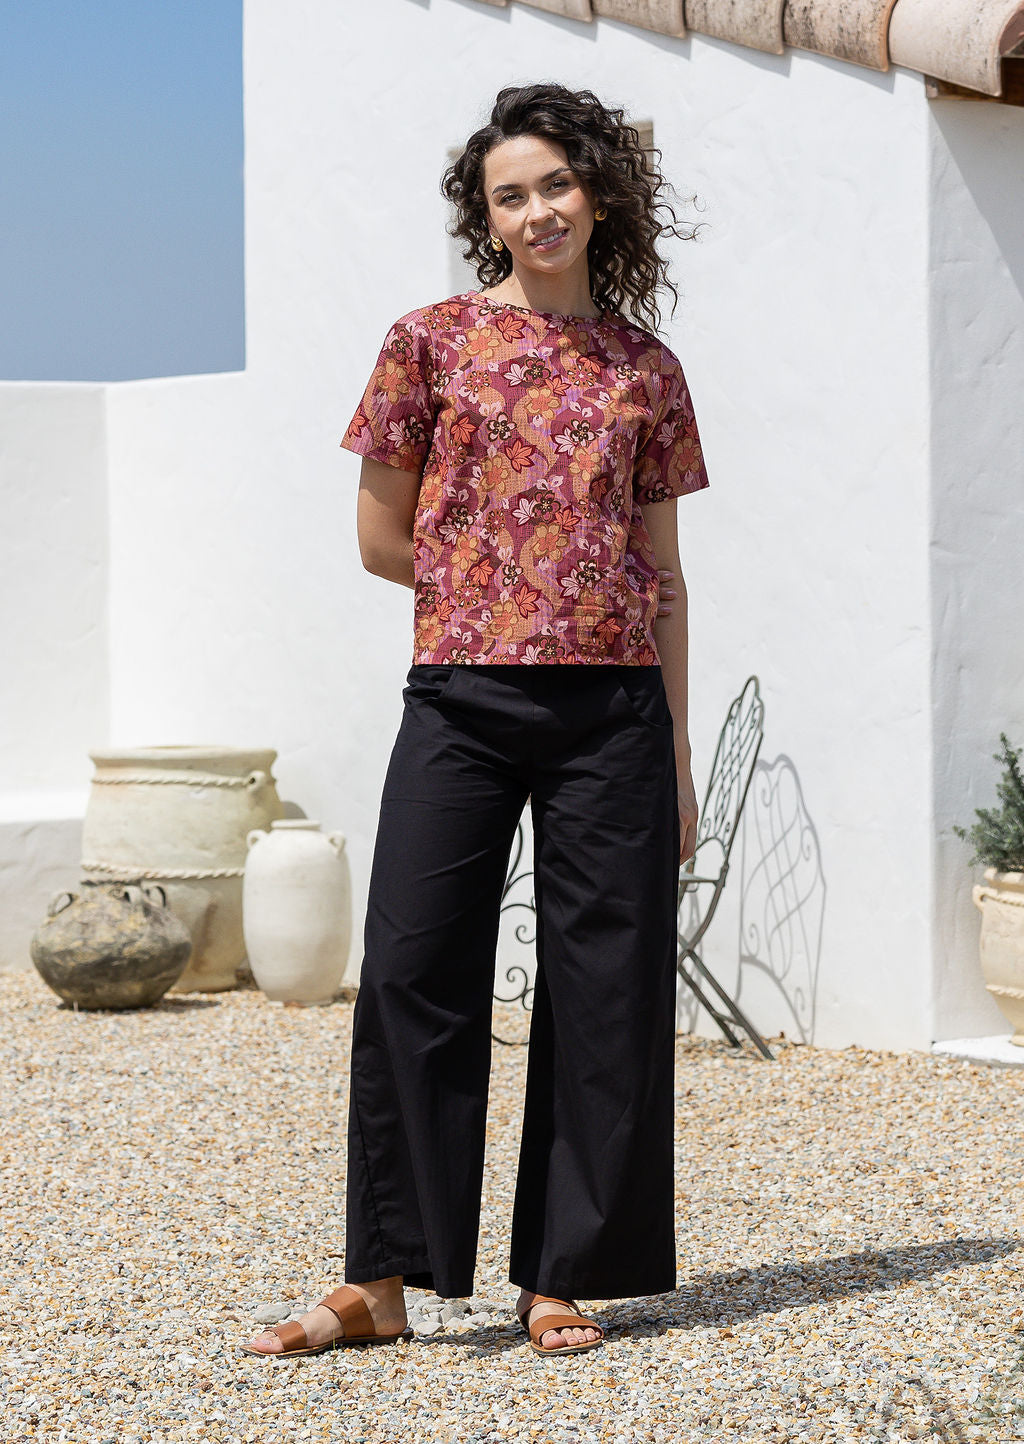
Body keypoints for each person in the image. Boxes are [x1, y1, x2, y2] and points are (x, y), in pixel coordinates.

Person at [242, 80, 709, 1361]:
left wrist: (671, 746)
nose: (538, 208)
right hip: (461, 695)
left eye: (556, 183)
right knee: (409, 969)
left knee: (603, 988)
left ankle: (564, 1270)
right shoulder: (429, 341)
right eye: (512, 194)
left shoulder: (643, 369)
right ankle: (382, 1278)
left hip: (613, 708)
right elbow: (381, 537)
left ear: (595, 193)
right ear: (486, 216)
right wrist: (502, 584)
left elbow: (662, 575)